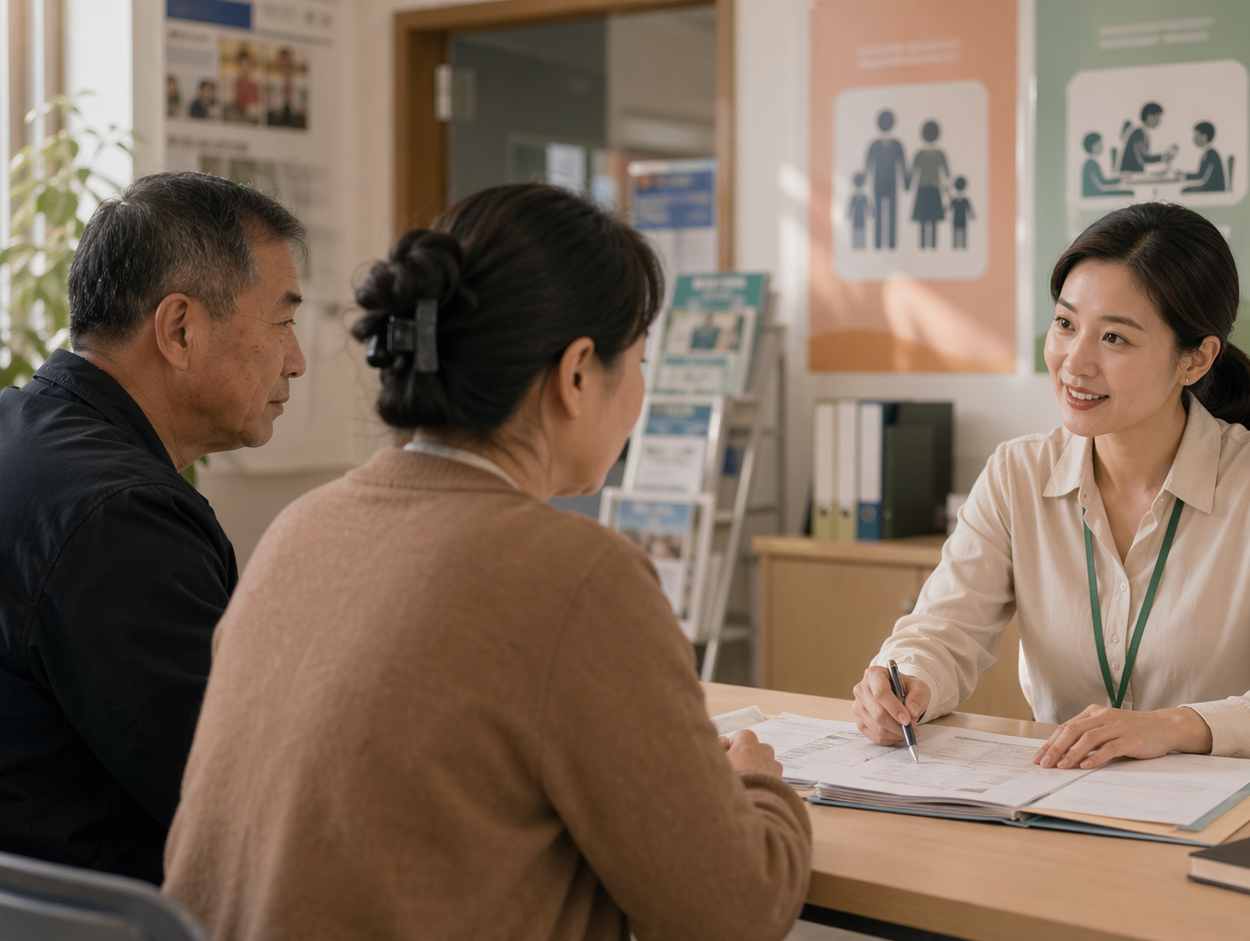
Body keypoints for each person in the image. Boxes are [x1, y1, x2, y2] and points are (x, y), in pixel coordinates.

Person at [163, 183, 812, 941]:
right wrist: (762, 788)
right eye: (636, 362)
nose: (639, 394)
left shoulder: (300, 528)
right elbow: (733, 909)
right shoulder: (578, 575)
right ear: (576, 375)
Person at [852, 202, 1250, 769]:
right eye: (1065, 324)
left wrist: (1175, 727)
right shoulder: (1016, 475)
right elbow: (943, 630)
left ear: (1196, 360)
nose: (1074, 363)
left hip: (1226, 815)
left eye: (1116, 340)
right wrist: (907, 678)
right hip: (1061, 804)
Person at [0, 171, 307, 883]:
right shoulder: (117, 516)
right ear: (181, 328)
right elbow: (243, 803)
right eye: (283, 321)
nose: (298, 360)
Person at [863, 109, 909, 250]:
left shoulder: (896, 145)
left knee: (892, 214)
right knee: (878, 214)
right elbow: (868, 166)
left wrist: (906, 183)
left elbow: (902, 165)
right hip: (878, 184)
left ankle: (891, 242)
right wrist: (864, 181)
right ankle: (877, 242)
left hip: (891, 184)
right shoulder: (875, 145)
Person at [910, 119, 951, 250]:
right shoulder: (938, 154)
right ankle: (928, 245)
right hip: (929, 189)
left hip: (928, 189)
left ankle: (927, 245)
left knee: (929, 219)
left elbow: (913, 173)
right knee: (928, 219)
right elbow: (947, 173)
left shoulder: (921, 154)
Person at [1118, 102, 1177, 174]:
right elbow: (1144, 158)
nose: (1159, 121)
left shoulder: (1141, 131)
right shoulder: (1138, 132)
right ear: (1150, 117)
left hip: (1133, 174)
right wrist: (1163, 157)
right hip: (1129, 176)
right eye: (1158, 117)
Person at [1080, 132, 1132, 198]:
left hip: (1095, 192)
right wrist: (1121, 179)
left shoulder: (1090, 161)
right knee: (1129, 192)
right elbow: (1103, 182)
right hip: (1095, 194)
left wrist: (1121, 178)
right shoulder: (1091, 162)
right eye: (1099, 143)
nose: (1102, 145)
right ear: (1093, 146)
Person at [1181, 122, 1227, 193]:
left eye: (1196, 135)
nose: (1194, 138)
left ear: (1204, 137)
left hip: (1214, 191)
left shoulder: (1211, 154)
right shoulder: (1206, 153)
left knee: (1185, 190)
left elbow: (1203, 180)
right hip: (1209, 187)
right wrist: (1184, 175)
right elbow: (1200, 174)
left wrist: (1187, 184)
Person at [949, 176, 974, 249]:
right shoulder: (958, 200)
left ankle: (962, 245)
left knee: (962, 233)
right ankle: (956, 245)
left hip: (961, 219)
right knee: (957, 233)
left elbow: (969, 210)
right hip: (958, 219)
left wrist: (972, 215)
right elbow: (949, 208)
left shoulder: (963, 200)